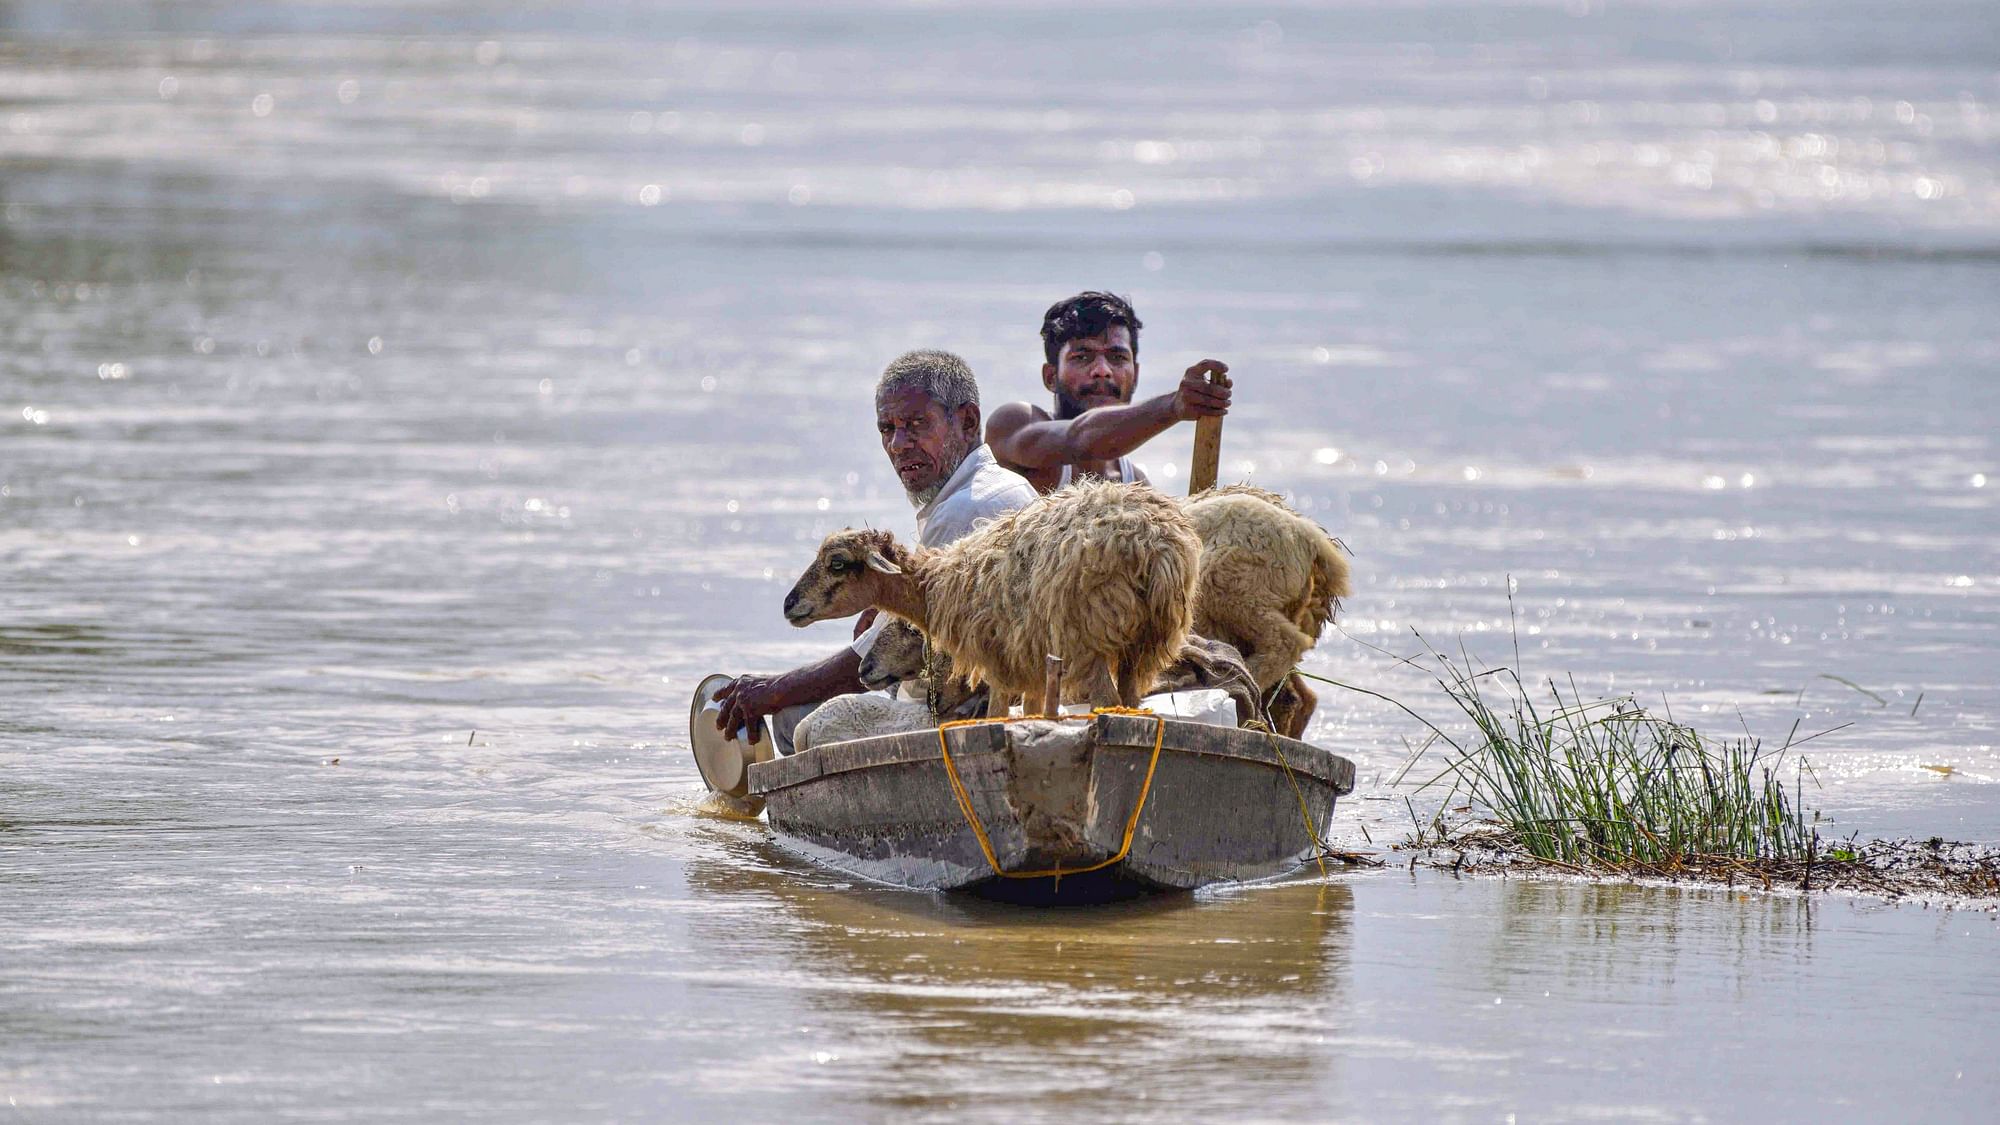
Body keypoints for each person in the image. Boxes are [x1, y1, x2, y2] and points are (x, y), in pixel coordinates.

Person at [711, 349, 1038, 753]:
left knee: (795, 723)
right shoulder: (998, 488)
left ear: (967, 421)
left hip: (964, 714)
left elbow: (868, 662)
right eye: (887, 429)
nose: (899, 444)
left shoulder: (964, 510)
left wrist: (773, 691)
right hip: (973, 697)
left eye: (917, 425)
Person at [985, 291, 1231, 494]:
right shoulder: (1013, 424)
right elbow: (1079, 437)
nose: (1102, 371)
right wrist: (1172, 406)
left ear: (1135, 375)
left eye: (1117, 357)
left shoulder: (1135, 485)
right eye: (1082, 357)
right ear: (1051, 377)